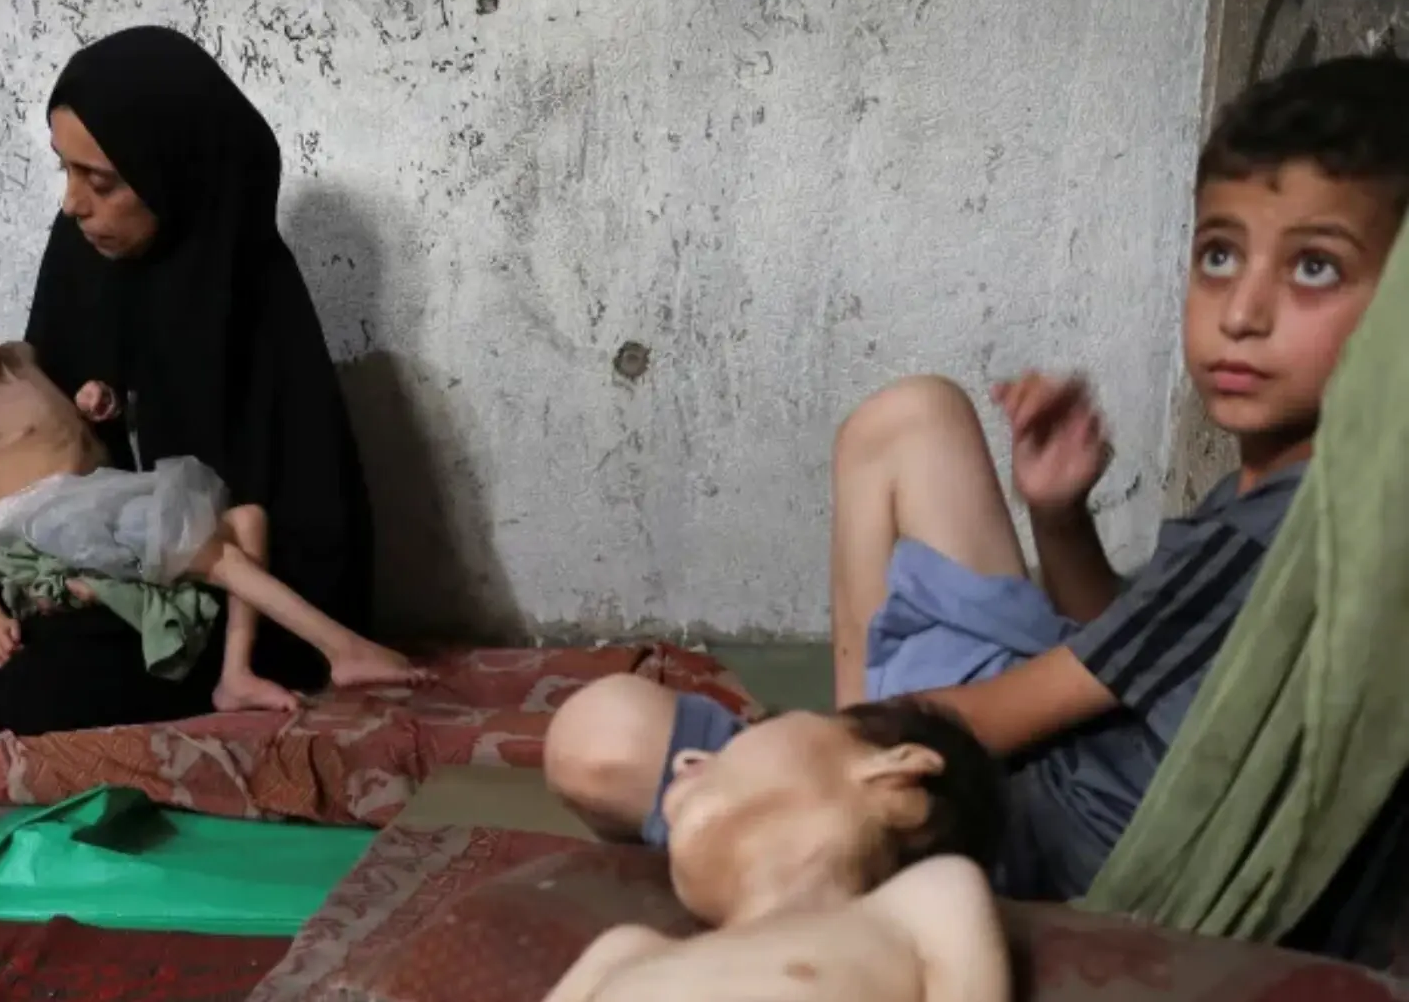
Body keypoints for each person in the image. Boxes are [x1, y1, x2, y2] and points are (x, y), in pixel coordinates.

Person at [544, 52, 1409, 909]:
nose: (1242, 313)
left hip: (1004, 825)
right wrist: (1059, 514)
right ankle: (844, 746)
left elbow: (986, 722)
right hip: (1037, 754)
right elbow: (1136, 648)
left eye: (1315, 268)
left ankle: (838, 817)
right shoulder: (1297, 485)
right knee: (915, 419)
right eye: (1220, 256)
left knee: (599, 737)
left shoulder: (1291, 535)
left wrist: (792, 744)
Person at [0, 25, 380, 734]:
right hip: (72, 550)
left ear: (174, 173)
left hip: (208, 575)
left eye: (101, 181)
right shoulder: (82, 249)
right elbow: (46, 426)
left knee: (41, 693)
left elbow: (289, 521)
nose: (72, 203)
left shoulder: (246, 286)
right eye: (64, 170)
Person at [0, 260, 422, 711]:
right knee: (208, 551)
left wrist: (94, 405)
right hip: (46, 528)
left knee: (249, 520)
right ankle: (338, 647)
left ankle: (235, 675)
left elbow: (56, 434)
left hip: (95, 505)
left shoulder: (22, 357)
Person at [543, 701, 1010, 1002]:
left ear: (899, 777)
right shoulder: (623, 951)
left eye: (736, 739)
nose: (686, 760)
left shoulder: (929, 900)